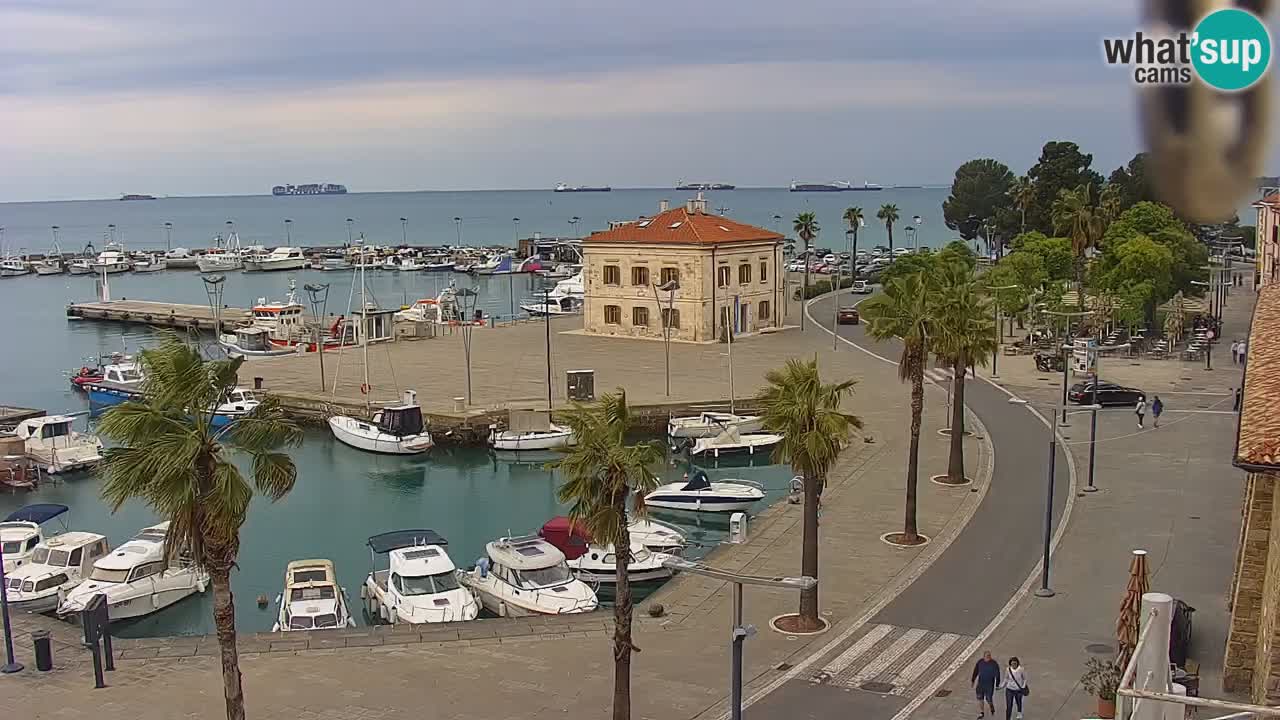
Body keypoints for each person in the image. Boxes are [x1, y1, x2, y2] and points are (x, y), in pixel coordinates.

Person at [971, 651, 1000, 718]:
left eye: (989, 656)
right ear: (983, 656)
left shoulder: (994, 664)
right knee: (980, 698)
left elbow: (997, 675)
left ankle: (991, 705)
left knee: (988, 699)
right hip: (980, 684)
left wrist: (997, 684)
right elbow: (976, 671)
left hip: (989, 685)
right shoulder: (980, 662)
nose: (988, 657)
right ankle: (982, 712)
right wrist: (973, 680)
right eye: (987, 656)